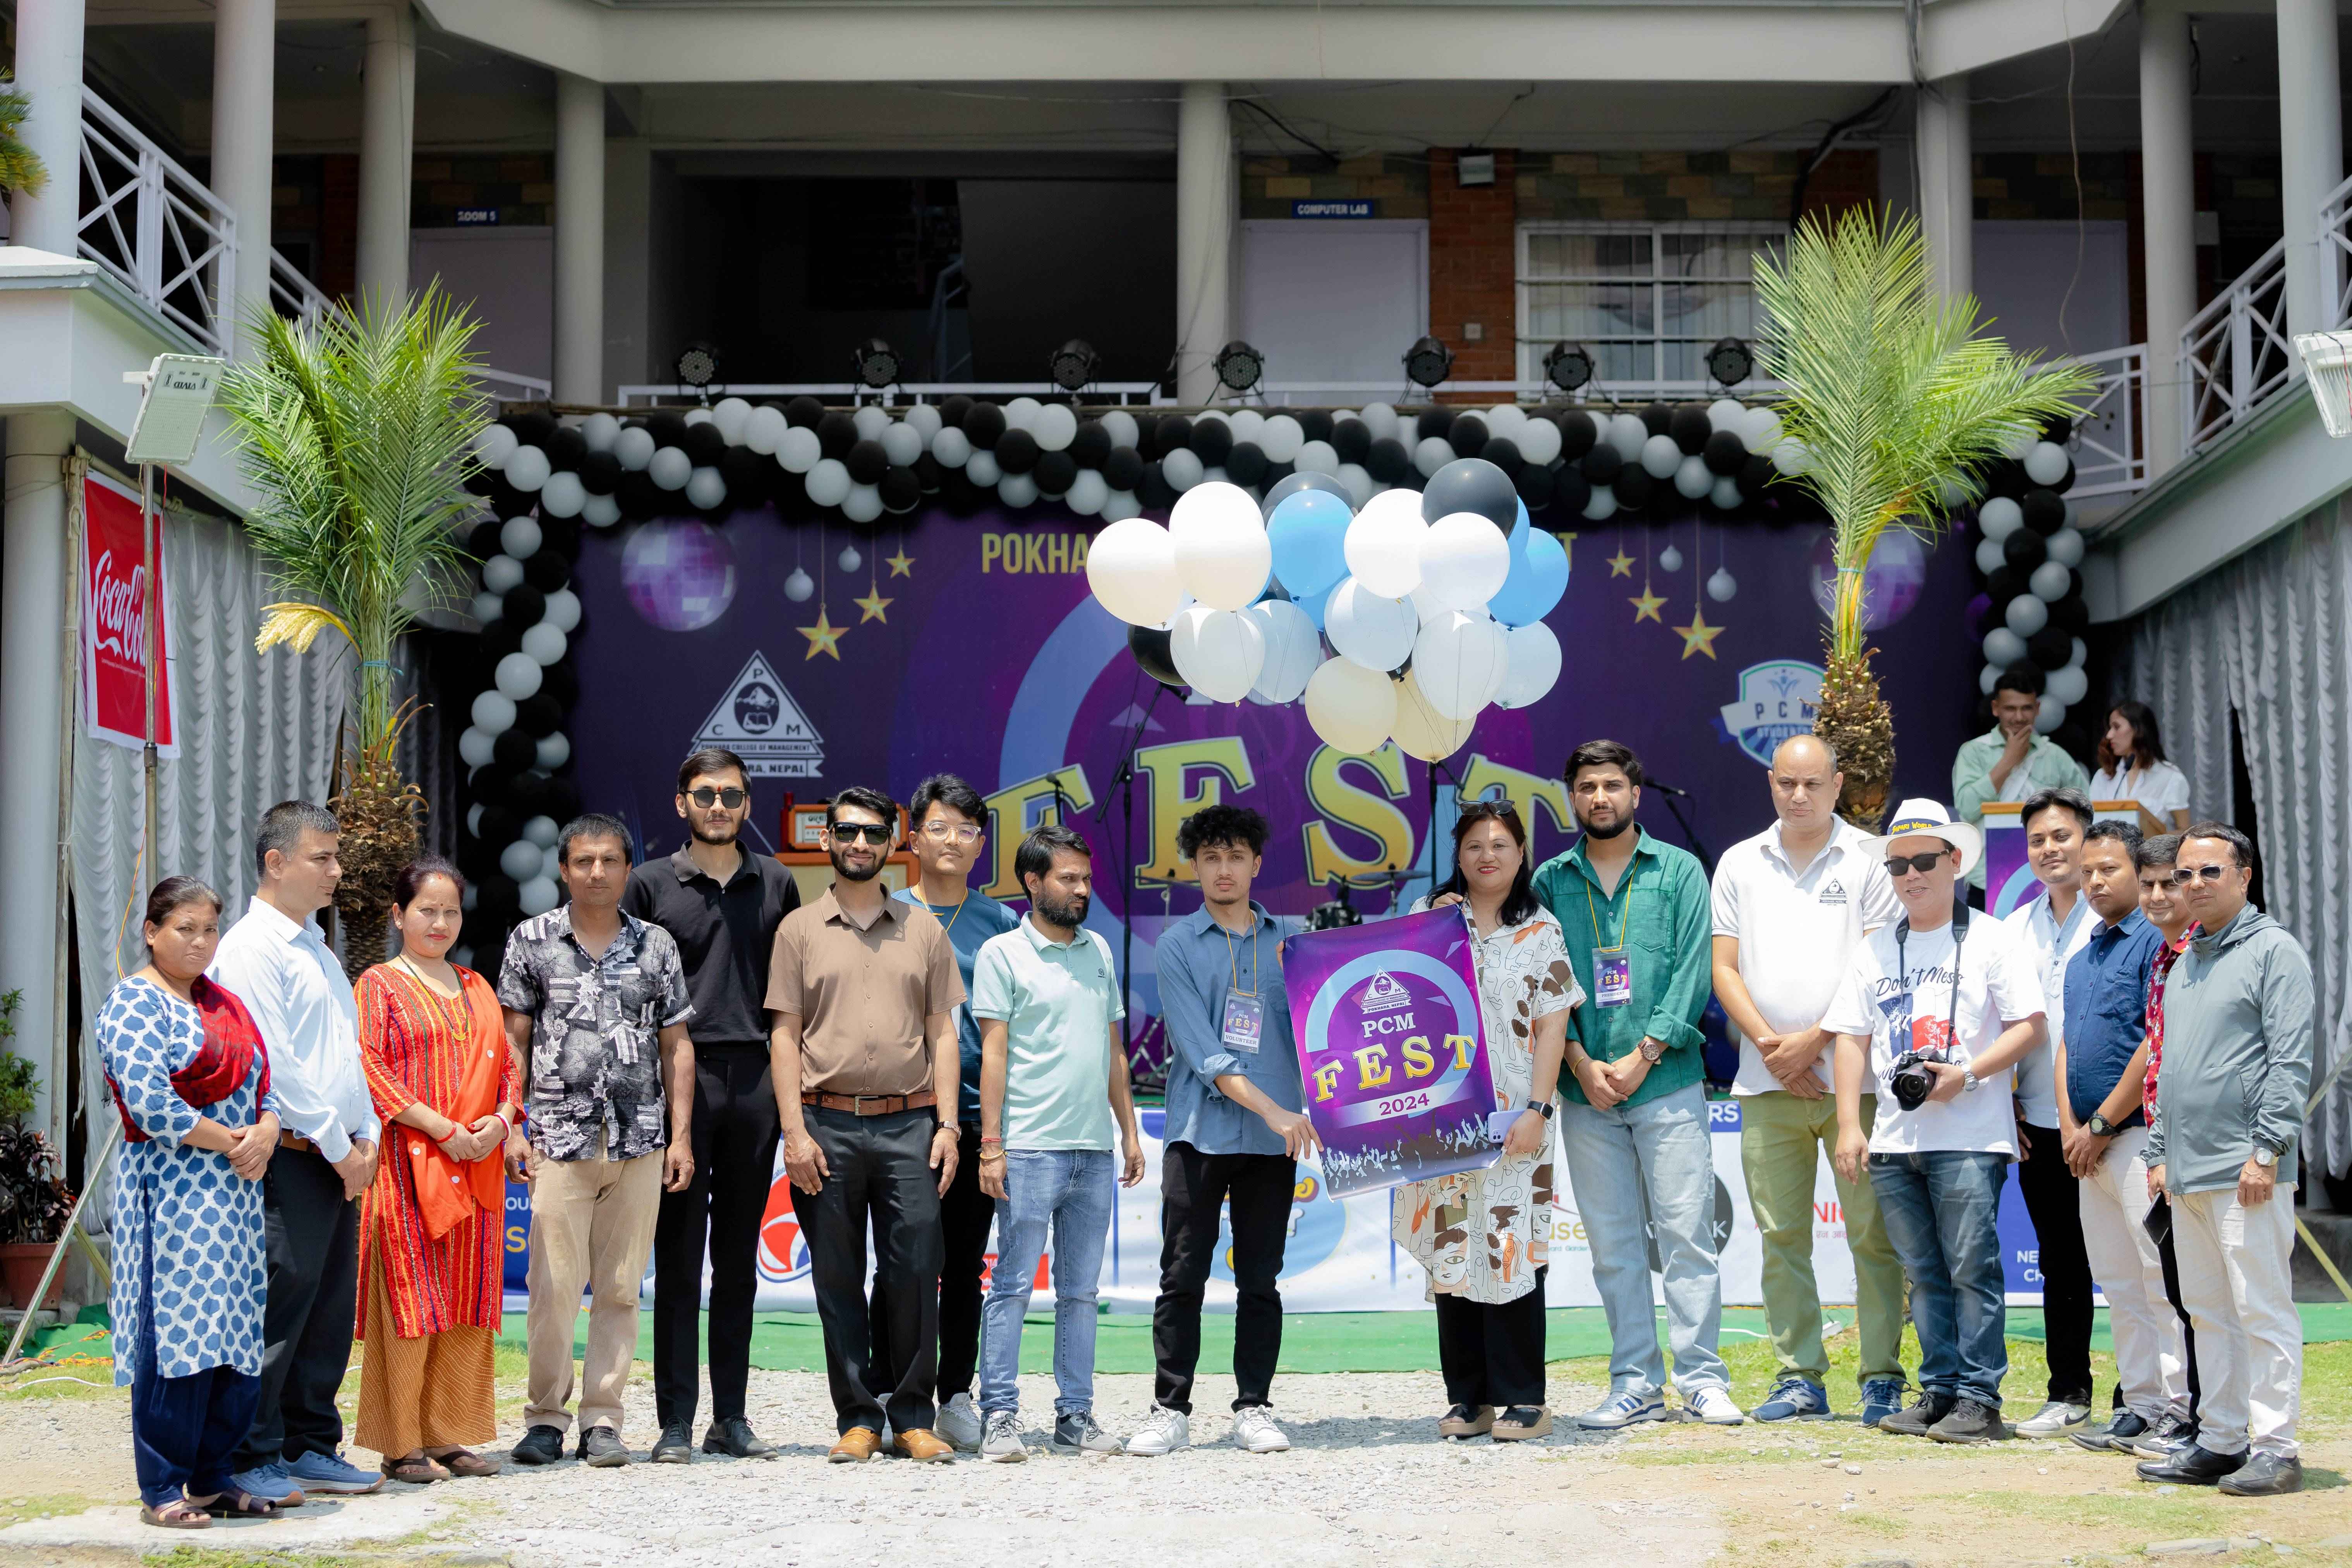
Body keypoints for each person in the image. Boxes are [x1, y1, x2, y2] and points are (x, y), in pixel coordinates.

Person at [1533, 740, 1742, 1429]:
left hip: (1667, 1082)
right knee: (1614, 1247)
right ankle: (1634, 1383)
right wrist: (1578, 1062)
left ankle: (1701, 1379)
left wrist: (1644, 1053)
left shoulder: (1677, 870)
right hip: (1585, 1092)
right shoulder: (1549, 881)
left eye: (1611, 785)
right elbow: (1541, 982)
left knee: (1686, 1237)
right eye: (1586, 786)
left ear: (1635, 793)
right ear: (1571, 796)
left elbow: (1692, 970)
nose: (1599, 797)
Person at [1825, 799, 2046, 1444]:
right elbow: (1850, 1039)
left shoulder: (1992, 937)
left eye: (1923, 860)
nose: (1910, 875)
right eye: (1896, 865)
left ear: (1954, 861)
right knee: (1922, 1274)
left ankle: (1980, 1400)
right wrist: (1849, 1123)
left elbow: (2029, 1027)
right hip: (1896, 1140)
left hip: (1970, 1137)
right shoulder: (1874, 948)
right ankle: (1940, 1390)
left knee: (1970, 1270)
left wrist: (1967, 1075)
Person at [1708, 736, 1908, 1428]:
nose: (1798, 796)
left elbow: (1877, 965)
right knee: (1781, 1235)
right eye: (1786, 783)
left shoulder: (1869, 859)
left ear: (1837, 784)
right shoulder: (1739, 861)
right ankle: (1799, 1376)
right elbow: (1723, 968)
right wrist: (1773, 1049)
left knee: (1873, 1236)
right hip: (1766, 1083)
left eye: (1812, 784)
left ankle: (1881, 1376)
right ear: (1770, 782)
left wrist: (1814, 1041)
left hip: (1857, 1084)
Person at [765, 786, 965, 1463]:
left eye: (873, 832)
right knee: (837, 1275)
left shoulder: (923, 930)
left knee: (915, 1269)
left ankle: (911, 1416)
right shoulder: (797, 930)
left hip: (910, 1125)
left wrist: (947, 1125)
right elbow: (784, 1035)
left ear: (892, 842)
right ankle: (857, 1417)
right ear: (825, 839)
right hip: (825, 1125)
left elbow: (943, 1032)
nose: (859, 843)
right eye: (847, 831)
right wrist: (794, 1132)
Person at [621, 747, 802, 1464]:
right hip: (679, 1082)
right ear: (682, 803)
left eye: (731, 794)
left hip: (754, 1081)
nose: (718, 806)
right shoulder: (647, 884)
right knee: (676, 1260)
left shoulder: (776, 881)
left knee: (736, 1261)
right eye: (705, 794)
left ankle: (730, 1416)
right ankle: (674, 1421)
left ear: (747, 803)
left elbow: (791, 995)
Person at [500, 814, 697, 1469]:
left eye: (609, 860)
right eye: (583, 861)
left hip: (639, 1139)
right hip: (558, 1139)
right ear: (563, 869)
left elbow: (676, 1045)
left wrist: (680, 1137)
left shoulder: (656, 945)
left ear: (627, 869)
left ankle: (603, 1419)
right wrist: (512, 1121)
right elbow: (513, 1040)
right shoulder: (532, 940)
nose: (596, 872)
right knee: (553, 1290)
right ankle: (545, 1419)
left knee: (618, 1288)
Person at [1127, 804, 1321, 1457]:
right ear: (1194, 867)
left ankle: (1253, 1406)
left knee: (1259, 1279)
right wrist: (1274, 1109)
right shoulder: (1177, 944)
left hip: (1271, 1144)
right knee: (1181, 1274)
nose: (1223, 869)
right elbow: (1203, 1052)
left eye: (1235, 855)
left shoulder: (1291, 943)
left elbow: (1331, 1024)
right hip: (1198, 1133)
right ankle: (1169, 1408)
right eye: (1210, 857)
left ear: (1256, 863)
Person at [211, 801, 385, 1503]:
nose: (337, 871)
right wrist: (344, 1147)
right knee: (277, 1309)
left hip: (336, 1156)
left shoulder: (315, 946)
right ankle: (249, 1453)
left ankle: (309, 1443)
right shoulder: (252, 948)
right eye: (324, 857)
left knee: (327, 1309)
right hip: (291, 1155)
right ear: (276, 862)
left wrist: (367, 1135)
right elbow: (274, 1064)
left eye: (336, 856)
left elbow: (347, 1055)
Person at [100, 877, 283, 1528]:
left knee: (232, 1334)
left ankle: (212, 1479)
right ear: (152, 932)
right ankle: (162, 1486)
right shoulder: (134, 1002)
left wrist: (266, 1129)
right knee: (176, 1334)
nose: (200, 941)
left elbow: (265, 1083)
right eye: (185, 928)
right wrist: (235, 1140)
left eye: (209, 929)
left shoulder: (224, 1004)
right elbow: (151, 1104)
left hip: (236, 1199)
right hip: (173, 1197)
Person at [1396, 801, 1579, 1442]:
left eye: (1500, 844)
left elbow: (1553, 1026)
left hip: (1514, 1116)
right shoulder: (1428, 919)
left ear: (1520, 853)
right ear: (1458, 853)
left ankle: (1524, 1397)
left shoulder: (1541, 930)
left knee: (1510, 1243)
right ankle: (1467, 1397)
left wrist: (1536, 1108)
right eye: (1474, 844)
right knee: (1453, 1246)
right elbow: (1380, 989)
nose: (1486, 856)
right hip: (1441, 1116)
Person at [2138, 823, 2312, 1496]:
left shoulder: (2273, 951)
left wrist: (2265, 1151)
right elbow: (2168, 1066)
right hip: (2185, 1172)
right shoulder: (2185, 960)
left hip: (2247, 1170)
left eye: (2209, 871)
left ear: (2244, 876)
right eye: (2184, 873)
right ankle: (2219, 1438)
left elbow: (2289, 1061)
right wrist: (2159, 1151)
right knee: (2207, 1311)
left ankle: (2275, 1446)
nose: (2193, 884)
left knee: (2260, 1308)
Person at [968, 825, 1146, 1462]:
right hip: (1027, 1148)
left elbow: (1113, 1050)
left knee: (1080, 1293)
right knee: (1012, 1285)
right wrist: (992, 1144)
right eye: (1067, 878)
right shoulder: (1001, 954)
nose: (1081, 889)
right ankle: (998, 1416)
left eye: (1085, 879)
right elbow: (993, 1054)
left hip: (1093, 1150)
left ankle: (1074, 1415)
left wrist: (1128, 1131)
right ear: (1032, 881)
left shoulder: (1098, 950)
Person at [353, 857, 521, 1483]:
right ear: (399, 914)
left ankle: (446, 1433)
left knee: (465, 1300)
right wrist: (442, 1128)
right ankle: (400, 1444)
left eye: (450, 911)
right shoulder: (378, 985)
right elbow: (369, 1067)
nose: (440, 922)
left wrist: (501, 1122)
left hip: (477, 1167)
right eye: (427, 910)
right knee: (411, 1302)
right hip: (408, 1167)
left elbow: (508, 1066)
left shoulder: (476, 985)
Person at [877, 773, 1020, 1453]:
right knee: (900, 1261)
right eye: (938, 827)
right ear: (913, 838)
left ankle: (955, 1394)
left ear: (980, 844)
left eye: (966, 831)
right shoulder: (885, 913)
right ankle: (887, 1390)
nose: (953, 841)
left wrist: (992, 1131)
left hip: (972, 1116)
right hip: (899, 1115)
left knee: (963, 1265)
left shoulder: (1002, 924)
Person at [2053, 822, 2192, 1458]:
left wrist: (2101, 1124)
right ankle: (2138, 1404)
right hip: (2088, 1147)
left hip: (2136, 1137)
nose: (2094, 881)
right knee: (2117, 1283)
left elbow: (2151, 1043)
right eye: (2086, 871)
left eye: (2108, 868)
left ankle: (2179, 1410)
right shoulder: (2082, 956)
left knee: (2158, 1280)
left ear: (2140, 873)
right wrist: (2070, 1127)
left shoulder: (2154, 945)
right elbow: (2066, 1044)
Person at [2001, 787, 2100, 1438]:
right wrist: (2003, 1098)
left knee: (2135, 1265)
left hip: (2115, 1124)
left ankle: (2147, 1397)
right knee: (2060, 1261)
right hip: (2038, 1122)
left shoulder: (2119, 915)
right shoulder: (2013, 926)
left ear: (2087, 838)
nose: (2048, 848)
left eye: (2060, 835)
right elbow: (1997, 1021)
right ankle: (2067, 1391)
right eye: (2036, 839)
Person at [2121, 832, 2204, 1462]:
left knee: (2209, 1299)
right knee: (2180, 1292)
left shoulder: (2202, 952)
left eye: (2168, 882)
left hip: (2202, 1151)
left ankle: (2213, 1424)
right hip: (2163, 1147)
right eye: (2145, 883)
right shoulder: (2160, 956)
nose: (2155, 895)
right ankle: (2194, 1418)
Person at [1952, 664, 2089, 893]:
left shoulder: (2054, 755)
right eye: (2010, 709)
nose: (2019, 717)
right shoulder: (1973, 752)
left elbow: (2087, 810)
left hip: (2049, 877)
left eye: (2026, 708)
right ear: (1996, 709)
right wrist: (2009, 761)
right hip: (1987, 877)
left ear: (2037, 709)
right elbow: (1967, 808)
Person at [2091, 701, 2192, 836]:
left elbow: (2185, 831)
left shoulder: (2170, 776)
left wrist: (2156, 840)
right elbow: (2089, 824)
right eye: (2110, 728)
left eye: (2117, 727)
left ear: (2138, 729)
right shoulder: (2103, 776)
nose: (2109, 735)